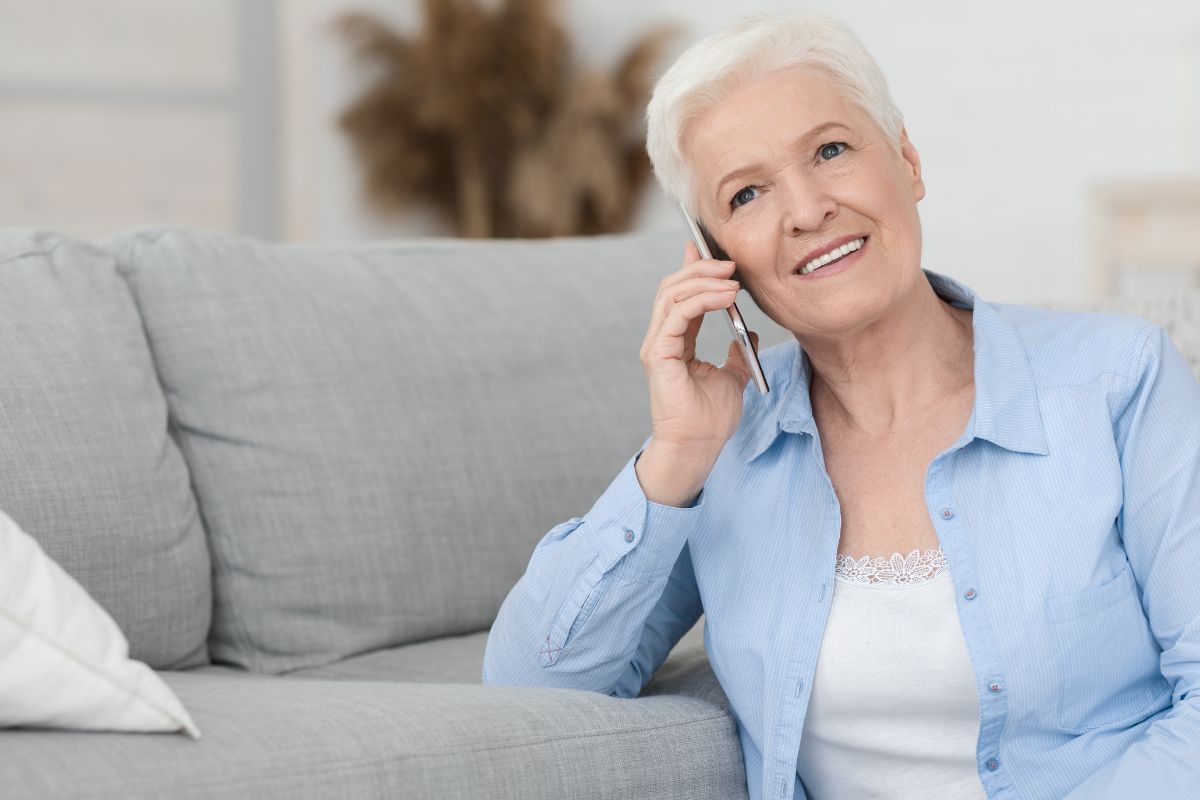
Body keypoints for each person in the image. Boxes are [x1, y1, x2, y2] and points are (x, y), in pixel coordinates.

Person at [482, 10, 1200, 800]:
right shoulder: (725, 452)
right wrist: (674, 458)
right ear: (723, 264)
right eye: (747, 194)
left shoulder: (1118, 379)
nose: (805, 209)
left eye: (830, 150)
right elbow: (531, 694)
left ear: (908, 162)